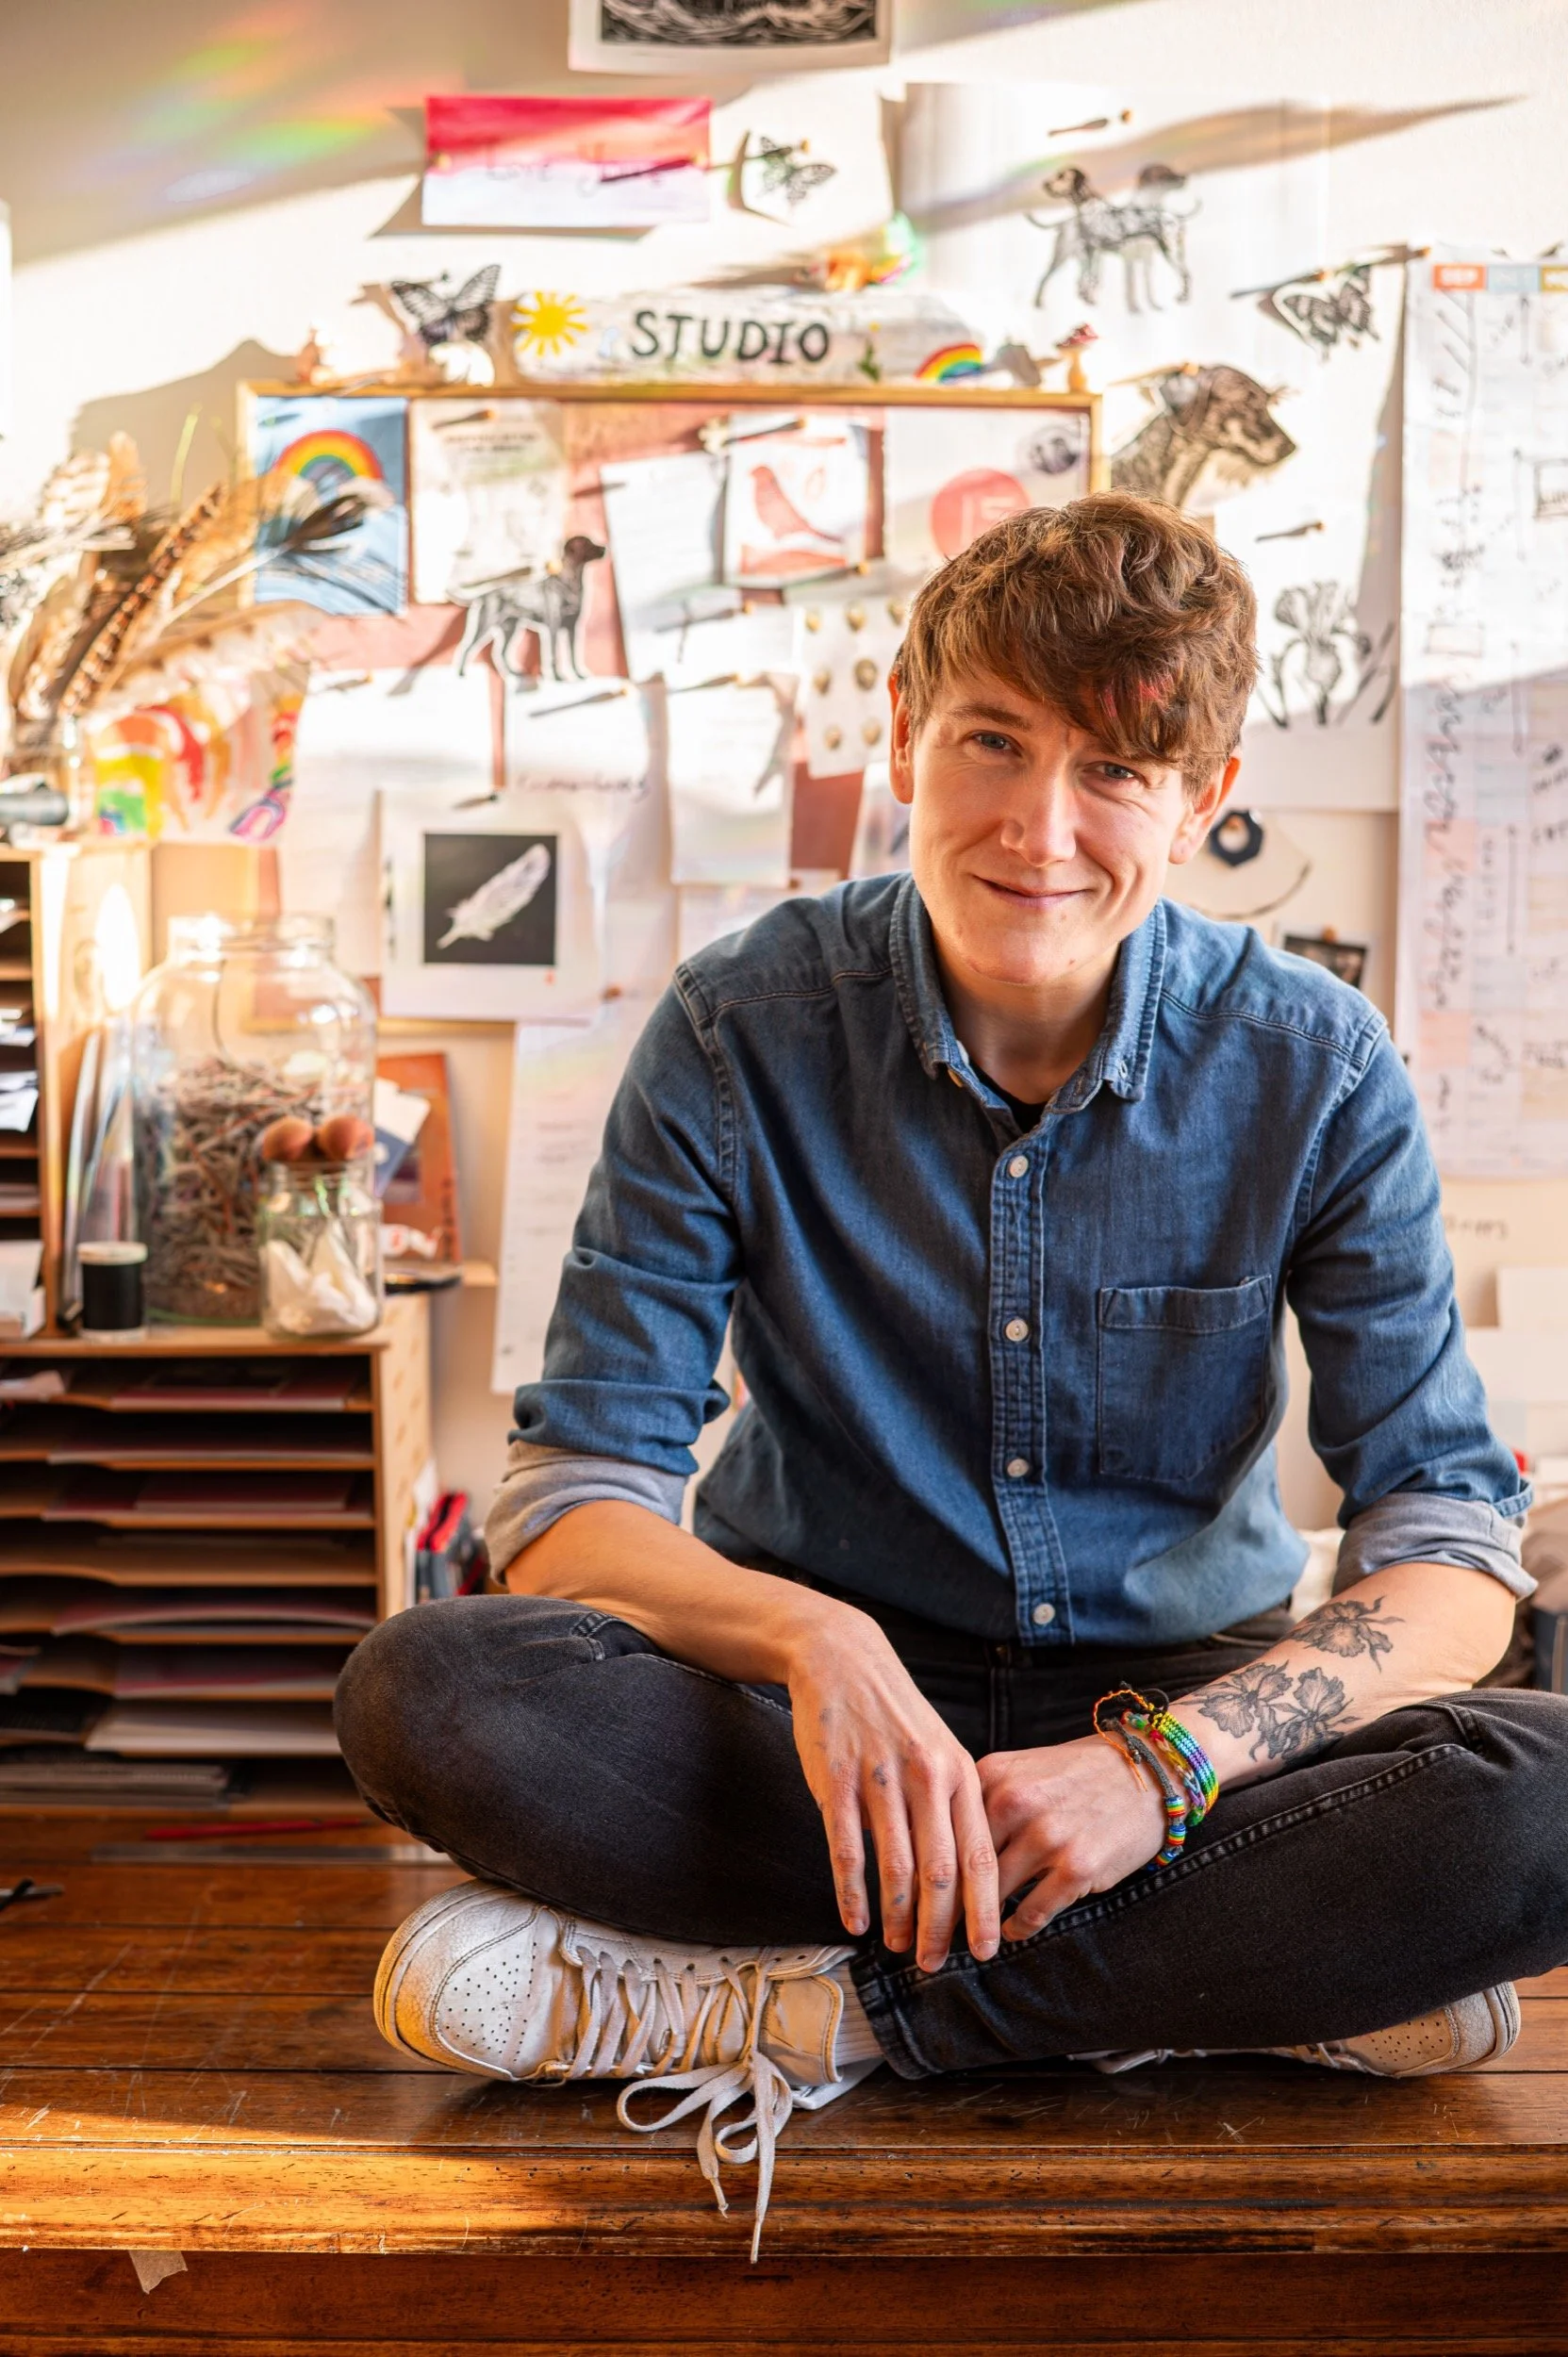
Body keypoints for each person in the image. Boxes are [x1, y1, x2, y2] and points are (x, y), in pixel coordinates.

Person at [337, 494, 1568, 2257]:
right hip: (814, 1736)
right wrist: (810, 1641)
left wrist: (1162, 1771)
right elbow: (572, 1500)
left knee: (1541, 1799)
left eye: (1114, 771)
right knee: (432, 1690)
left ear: (1204, 793)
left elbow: (1447, 1548)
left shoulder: (1314, 1062)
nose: (1036, 827)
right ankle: (1240, 1973)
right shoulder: (734, 1026)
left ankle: (817, 2013)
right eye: (991, 740)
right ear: (906, 719)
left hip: (1182, 1733)